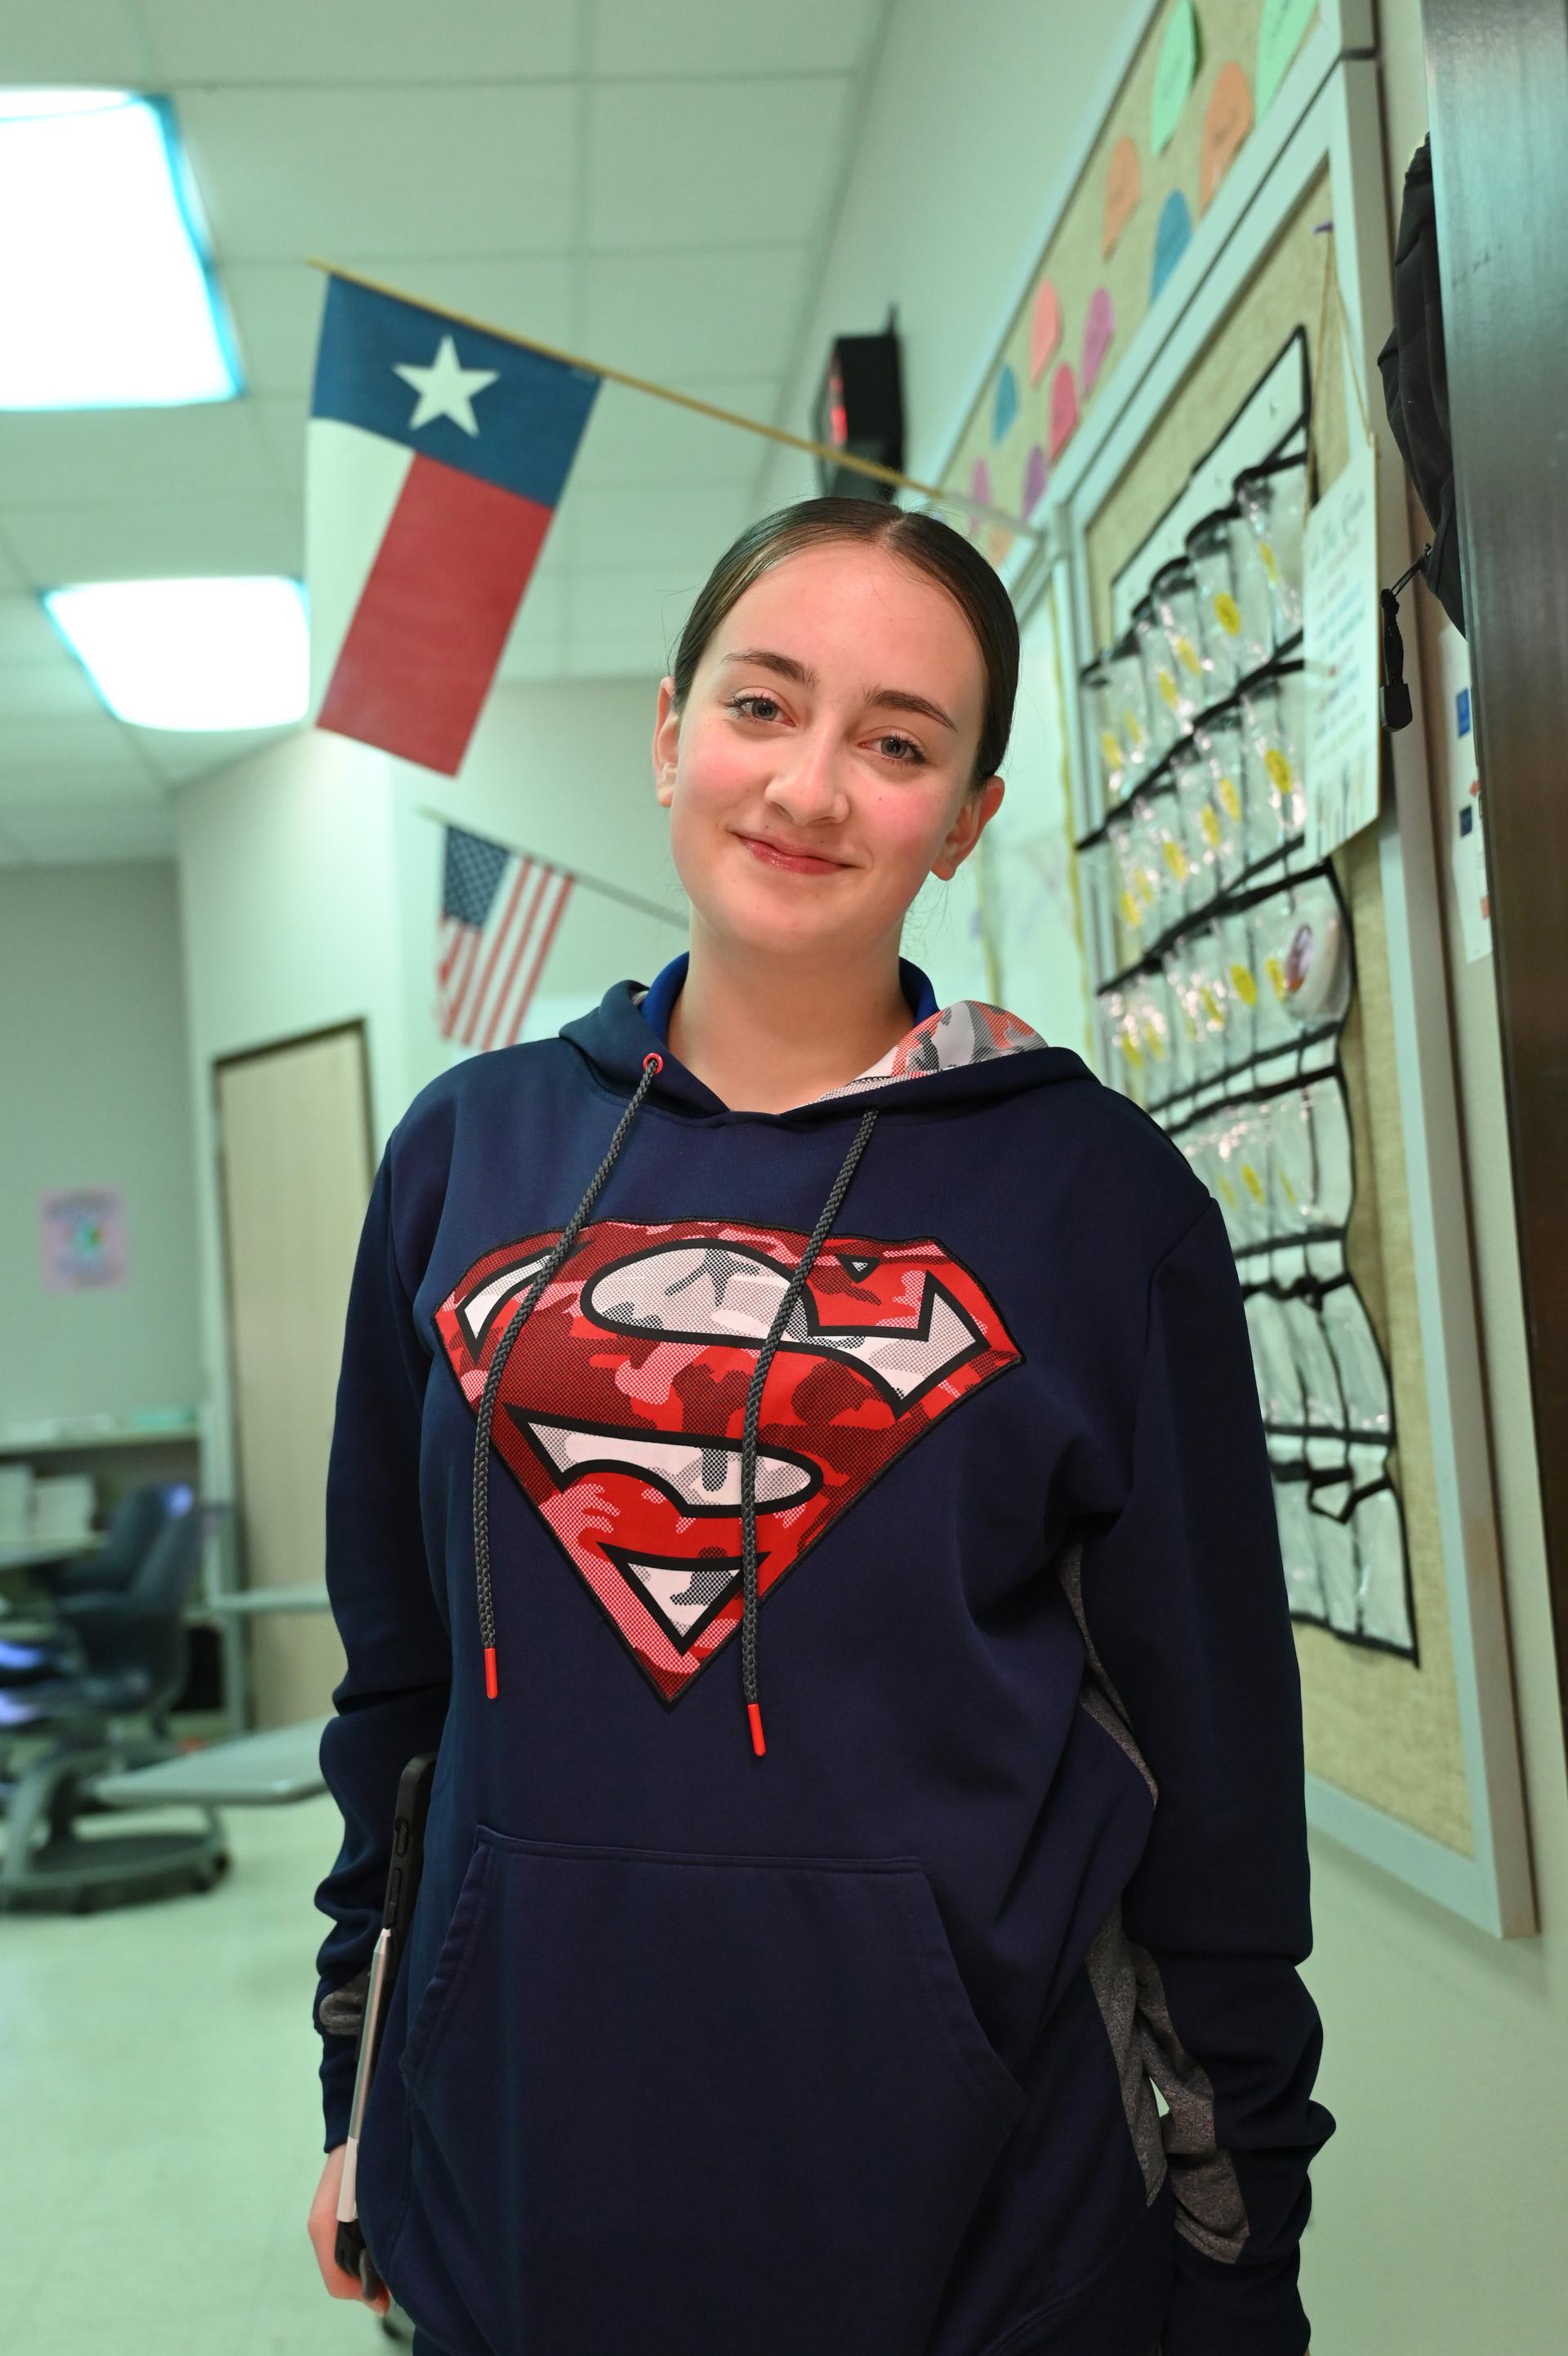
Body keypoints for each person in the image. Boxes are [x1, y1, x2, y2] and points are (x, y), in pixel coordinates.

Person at [306, 494, 1332, 2356]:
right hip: (512, 2200)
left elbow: (1217, 1786)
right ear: (670, 732)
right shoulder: (464, 1157)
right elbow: (401, 1697)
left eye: (898, 743)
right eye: (762, 705)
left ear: (967, 817)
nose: (808, 786)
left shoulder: (1100, 1206)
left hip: (987, 2240)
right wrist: (361, 2088)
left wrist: (1240, 2237)